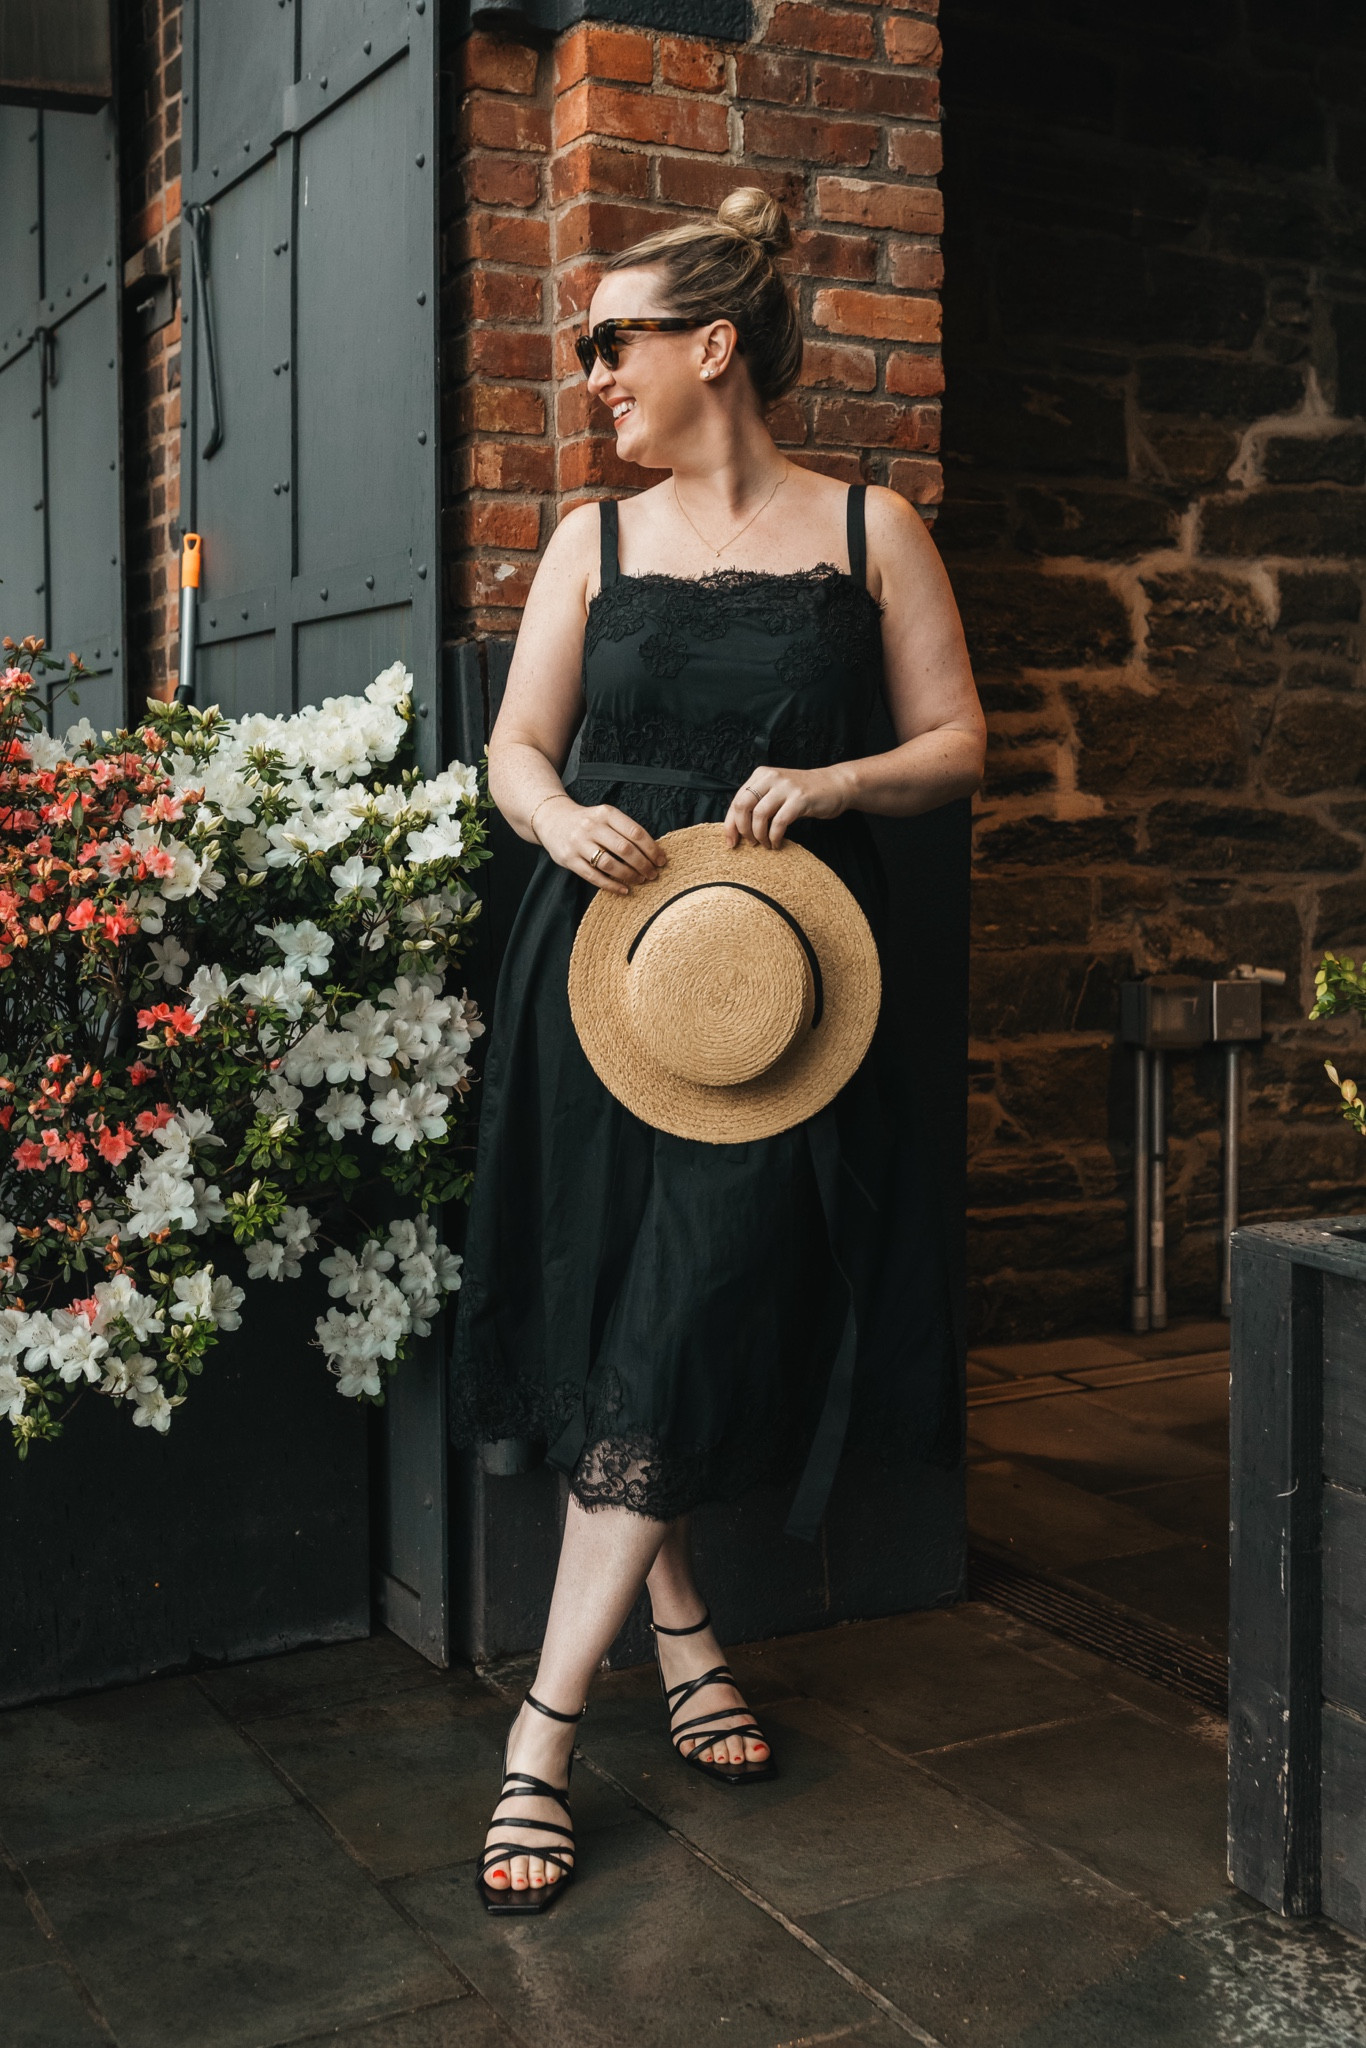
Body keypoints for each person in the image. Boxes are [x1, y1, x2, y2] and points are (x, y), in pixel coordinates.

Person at [450, 188, 985, 1912]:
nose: (591, 373)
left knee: (688, 1300)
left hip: (781, 993)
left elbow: (960, 745)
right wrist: (559, 820)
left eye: (611, 341)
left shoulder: (869, 530)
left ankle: (538, 1731)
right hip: (599, 970)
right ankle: (680, 1640)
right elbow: (513, 754)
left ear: (711, 345)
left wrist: (829, 788)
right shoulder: (586, 547)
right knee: (624, 1312)